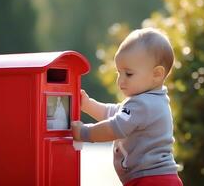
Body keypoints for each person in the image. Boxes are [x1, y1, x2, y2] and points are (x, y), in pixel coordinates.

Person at [71, 28, 183, 186]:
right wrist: (88, 105)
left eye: (128, 74)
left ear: (157, 74)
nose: (120, 81)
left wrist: (84, 133)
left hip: (151, 180)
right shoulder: (151, 101)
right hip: (157, 178)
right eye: (119, 73)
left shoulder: (143, 104)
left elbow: (115, 127)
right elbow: (114, 113)